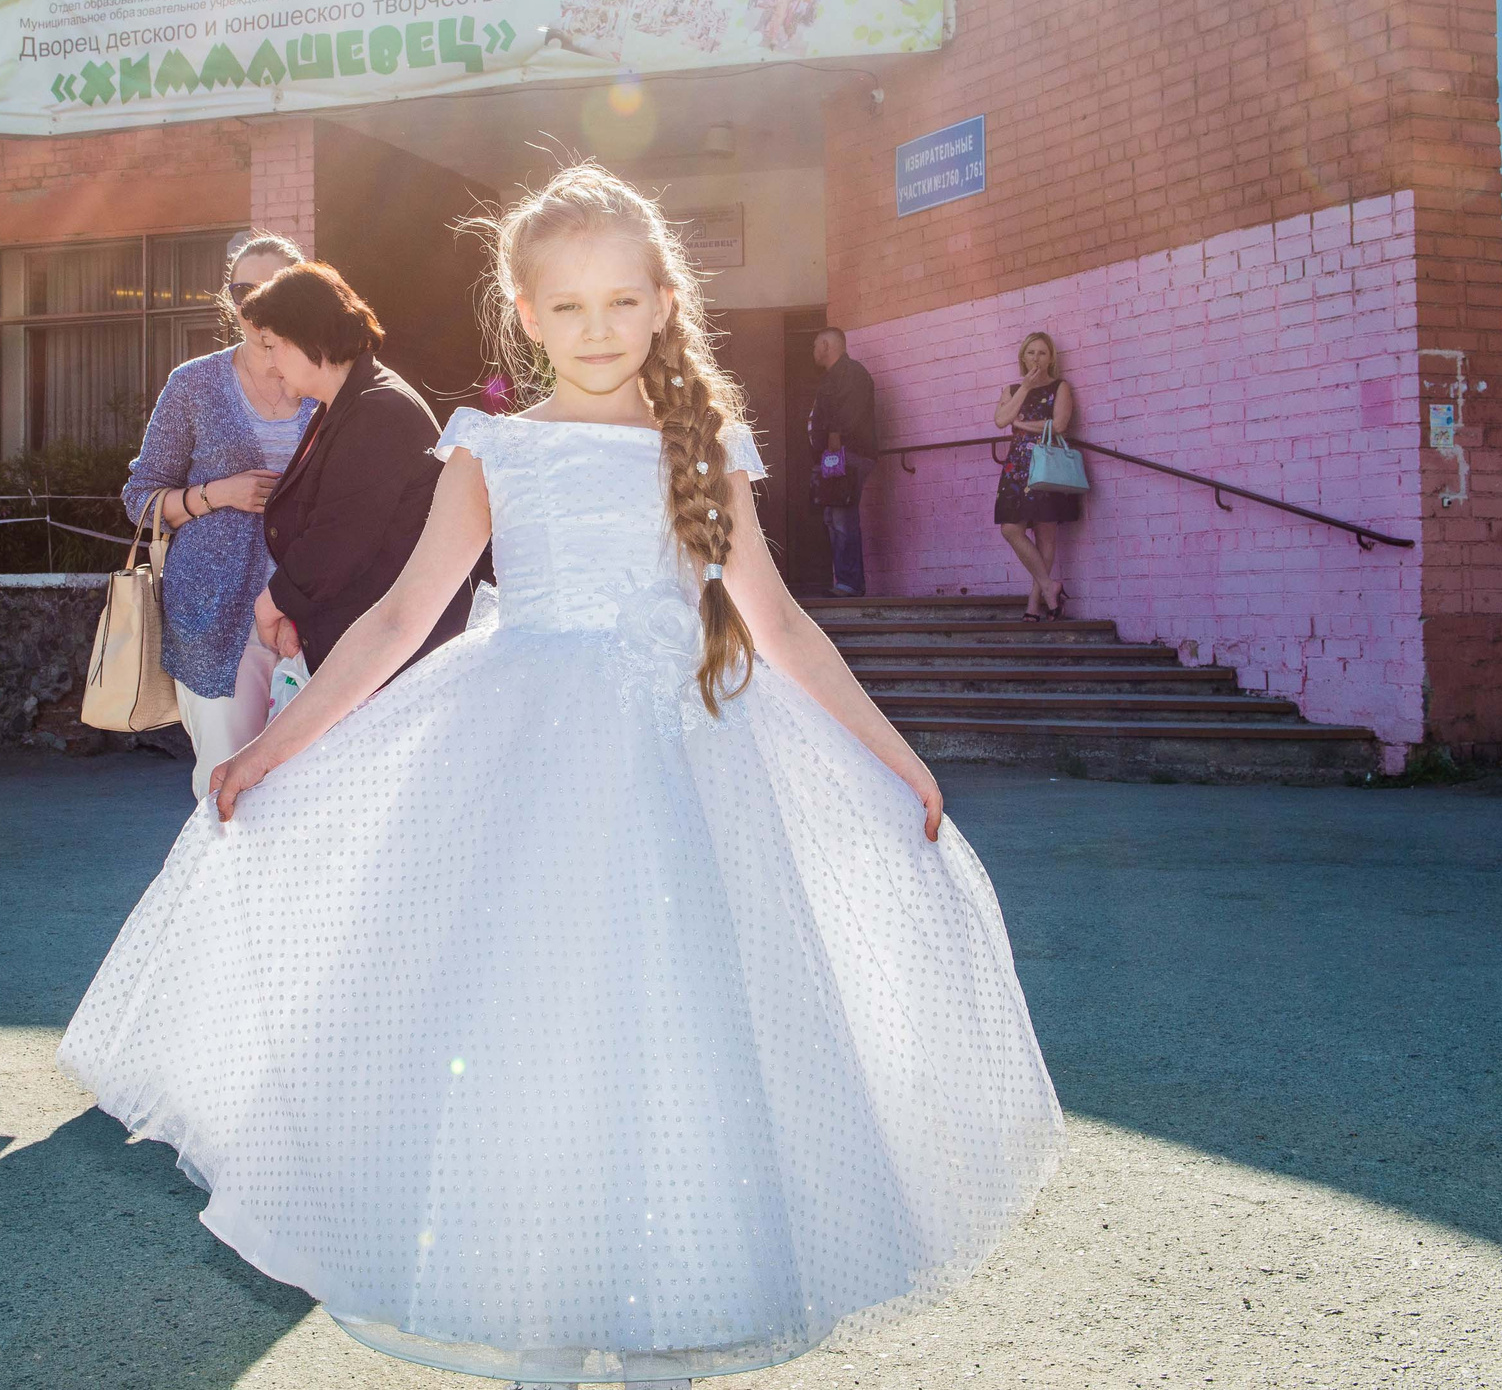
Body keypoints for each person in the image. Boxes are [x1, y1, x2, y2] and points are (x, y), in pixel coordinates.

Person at [59, 162, 1062, 1387]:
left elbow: (782, 624)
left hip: (688, 765)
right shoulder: (492, 448)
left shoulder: (707, 446)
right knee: (526, 1034)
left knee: (686, 1034)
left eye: (621, 302)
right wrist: (273, 745)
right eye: (568, 306)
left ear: (662, 305)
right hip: (521, 766)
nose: (598, 329)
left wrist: (893, 754)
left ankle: (671, 1332)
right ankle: (542, 1319)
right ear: (524, 315)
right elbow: (391, 620)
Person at [122, 232, 316, 797]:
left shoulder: (326, 385)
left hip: (309, 611)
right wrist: (218, 494)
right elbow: (140, 499)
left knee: (307, 781)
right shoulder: (194, 383)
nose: (257, 306)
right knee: (225, 781)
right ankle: (219, 889)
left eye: (274, 289)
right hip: (213, 618)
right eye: (243, 291)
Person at [238, 261, 473, 677]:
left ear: (308, 335)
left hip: (395, 666)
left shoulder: (378, 411)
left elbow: (337, 539)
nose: (270, 363)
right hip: (366, 653)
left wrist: (271, 604)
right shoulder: (345, 404)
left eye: (272, 345)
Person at [992, 331, 1082, 621]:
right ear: (1023, 357)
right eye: (1031, 353)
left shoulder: (1060, 387)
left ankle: (1034, 604)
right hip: (1017, 467)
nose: (1036, 358)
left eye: (1042, 353)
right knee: (1010, 529)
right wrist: (1024, 389)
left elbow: (1059, 424)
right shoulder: (1012, 388)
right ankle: (1049, 586)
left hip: (1045, 464)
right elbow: (1002, 420)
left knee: (1045, 533)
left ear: (1051, 358)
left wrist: (1023, 425)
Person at [806, 326, 878, 597]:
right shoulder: (832, 377)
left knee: (842, 518)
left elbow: (848, 415)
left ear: (826, 346)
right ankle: (846, 582)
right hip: (834, 459)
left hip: (848, 457)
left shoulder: (853, 374)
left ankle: (849, 584)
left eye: (816, 345)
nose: (813, 351)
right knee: (834, 517)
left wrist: (834, 440)